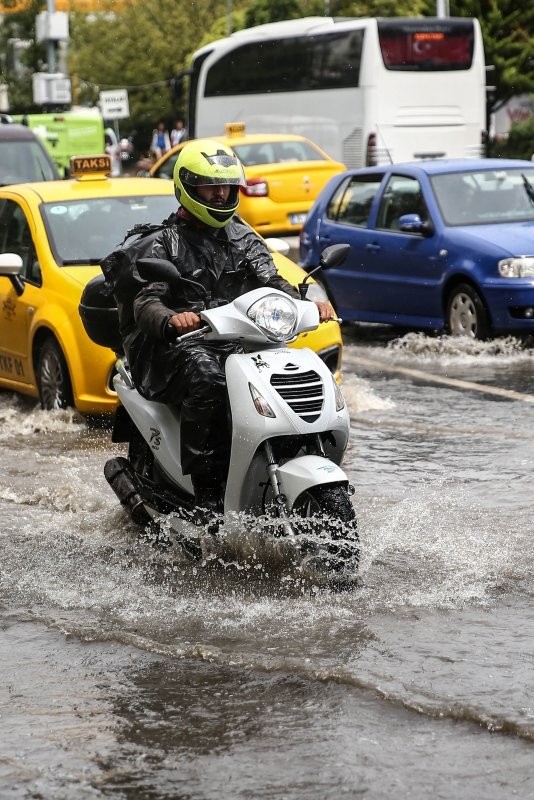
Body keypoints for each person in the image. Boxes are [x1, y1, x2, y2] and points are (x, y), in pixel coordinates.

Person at [122, 140, 335, 514]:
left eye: (227, 186)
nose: (221, 194)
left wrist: (306, 305)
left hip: (240, 340)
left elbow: (273, 281)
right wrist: (172, 319)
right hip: (180, 347)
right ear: (187, 186)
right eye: (210, 186)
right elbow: (146, 301)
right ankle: (206, 490)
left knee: (294, 365)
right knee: (208, 377)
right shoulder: (163, 244)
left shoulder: (242, 236)